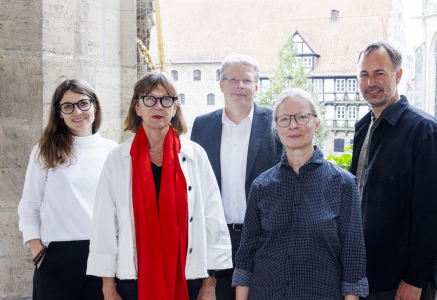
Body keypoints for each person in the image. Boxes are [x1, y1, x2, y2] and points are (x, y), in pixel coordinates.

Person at [86, 72, 232, 300]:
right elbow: (104, 225)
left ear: (174, 108)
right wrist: (107, 286)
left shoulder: (195, 155)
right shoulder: (118, 159)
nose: (158, 106)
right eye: (149, 99)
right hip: (133, 276)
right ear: (137, 107)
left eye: (166, 100)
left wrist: (210, 282)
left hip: (189, 274)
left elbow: (214, 219)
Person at [232, 88, 369, 299]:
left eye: (302, 117)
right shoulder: (261, 186)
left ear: (317, 122)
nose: (293, 125)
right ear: (276, 127)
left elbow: (353, 262)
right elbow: (245, 260)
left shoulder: (343, 184)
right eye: (284, 119)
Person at [350, 41, 437, 300]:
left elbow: (432, 217)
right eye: (364, 74)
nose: (371, 82)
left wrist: (414, 280)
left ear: (398, 75)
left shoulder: (425, 131)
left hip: (402, 282)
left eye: (379, 73)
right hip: (366, 276)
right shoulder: (363, 128)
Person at [190, 54, 282, 299]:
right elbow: (194, 185)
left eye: (247, 80)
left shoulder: (276, 122)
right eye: (233, 79)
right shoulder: (202, 125)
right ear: (221, 85)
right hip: (217, 237)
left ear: (257, 87)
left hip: (264, 238)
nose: (240, 86)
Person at [18, 79, 118, 300]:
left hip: (102, 257)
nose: (77, 112)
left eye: (83, 103)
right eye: (68, 106)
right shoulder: (45, 150)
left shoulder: (113, 152)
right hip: (57, 259)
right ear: (59, 113)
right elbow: (29, 205)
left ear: (95, 106)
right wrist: (38, 252)